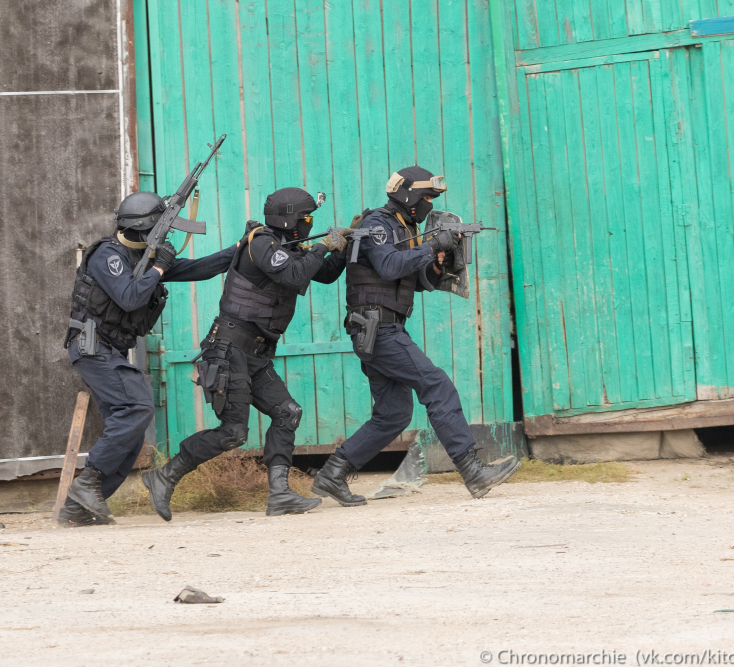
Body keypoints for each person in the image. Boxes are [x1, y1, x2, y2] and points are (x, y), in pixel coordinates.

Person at [310, 166, 519, 506]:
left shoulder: (404, 226)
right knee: (436, 385)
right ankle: (472, 471)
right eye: (426, 197)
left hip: (380, 328)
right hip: (378, 329)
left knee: (393, 414)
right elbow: (390, 266)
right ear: (407, 196)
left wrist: (437, 261)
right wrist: (432, 244)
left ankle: (332, 474)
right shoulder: (378, 223)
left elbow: (414, 281)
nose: (429, 204)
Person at [140, 188, 348, 519]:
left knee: (287, 413)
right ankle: (164, 476)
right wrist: (325, 245)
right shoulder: (262, 243)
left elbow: (322, 273)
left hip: (254, 353)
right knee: (234, 432)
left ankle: (279, 493)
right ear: (290, 219)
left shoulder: (287, 248)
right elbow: (296, 273)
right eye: (306, 219)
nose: (310, 225)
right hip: (229, 348)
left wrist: (344, 247)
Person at [60, 191, 238, 526]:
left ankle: (78, 510)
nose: (166, 236)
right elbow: (129, 297)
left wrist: (240, 249)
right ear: (144, 229)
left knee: (130, 432)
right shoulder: (109, 256)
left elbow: (199, 268)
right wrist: (159, 266)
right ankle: (85, 485)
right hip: (92, 348)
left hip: (108, 351)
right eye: (160, 228)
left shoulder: (143, 258)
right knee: (137, 408)